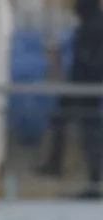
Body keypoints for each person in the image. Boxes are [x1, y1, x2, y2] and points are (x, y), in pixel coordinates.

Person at [37, 0, 103, 198]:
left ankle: (93, 180)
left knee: (90, 132)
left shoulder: (94, 25)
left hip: (86, 86)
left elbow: (91, 60)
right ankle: (56, 164)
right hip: (78, 83)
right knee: (62, 121)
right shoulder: (87, 24)